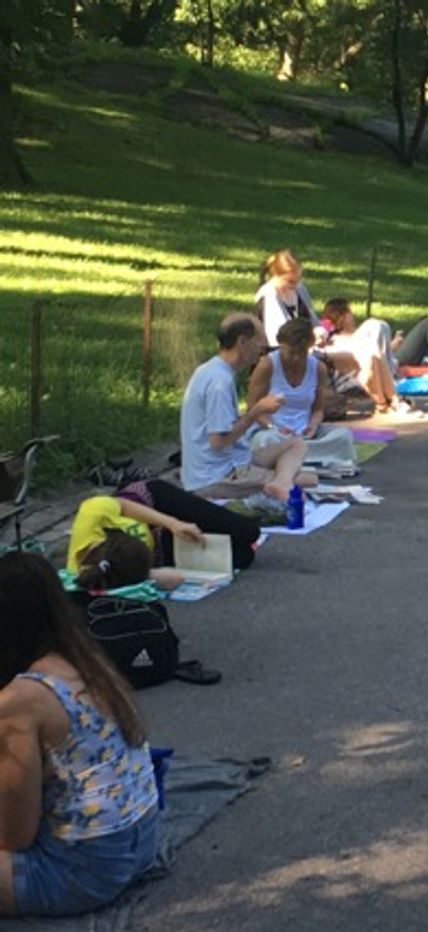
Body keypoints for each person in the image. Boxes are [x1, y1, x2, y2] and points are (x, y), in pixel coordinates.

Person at [0, 552, 160, 916]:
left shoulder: (20, 700)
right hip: (142, 840)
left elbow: (13, 837)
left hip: (83, 870)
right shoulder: (87, 660)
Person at [180, 313, 314, 502]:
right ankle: (282, 483)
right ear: (242, 342)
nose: (262, 348)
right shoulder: (220, 382)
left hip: (235, 460)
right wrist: (257, 411)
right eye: (259, 341)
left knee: (296, 444)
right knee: (308, 480)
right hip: (217, 477)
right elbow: (218, 441)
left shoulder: (211, 370)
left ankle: (281, 482)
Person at [68, 478, 260, 591]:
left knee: (248, 531)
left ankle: (246, 511)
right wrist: (152, 574)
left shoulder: (91, 514)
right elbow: (172, 578)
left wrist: (173, 524)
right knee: (243, 556)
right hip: (158, 548)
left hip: (151, 503)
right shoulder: (105, 578)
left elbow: (123, 505)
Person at [246, 319, 358, 470]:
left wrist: (313, 425)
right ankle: (307, 458)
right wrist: (273, 427)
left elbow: (318, 410)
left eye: (301, 353)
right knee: (265, 441)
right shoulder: (268, 365)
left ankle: (295, 458)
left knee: (343, 436)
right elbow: (253, 409)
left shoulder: (318, 368)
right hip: (274, 432)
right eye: (290, 352)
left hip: (304, 434)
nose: (295, 358)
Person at [321, 299, 418, 417]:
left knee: (377, 328)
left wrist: (393, 344)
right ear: (344, 316)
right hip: (358, 374)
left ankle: (390, 400)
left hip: (380, 367)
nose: (353, 317)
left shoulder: (350, 336)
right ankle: (388, 401)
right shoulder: (336, 338)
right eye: (350, 313)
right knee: (375, 325)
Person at [255, 249, 315, 347]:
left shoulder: (299, 289)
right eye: (290, 281)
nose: (295, 285)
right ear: (276, 276)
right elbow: (277, 338)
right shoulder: (270, 296)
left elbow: (312, 319)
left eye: (299, 279)